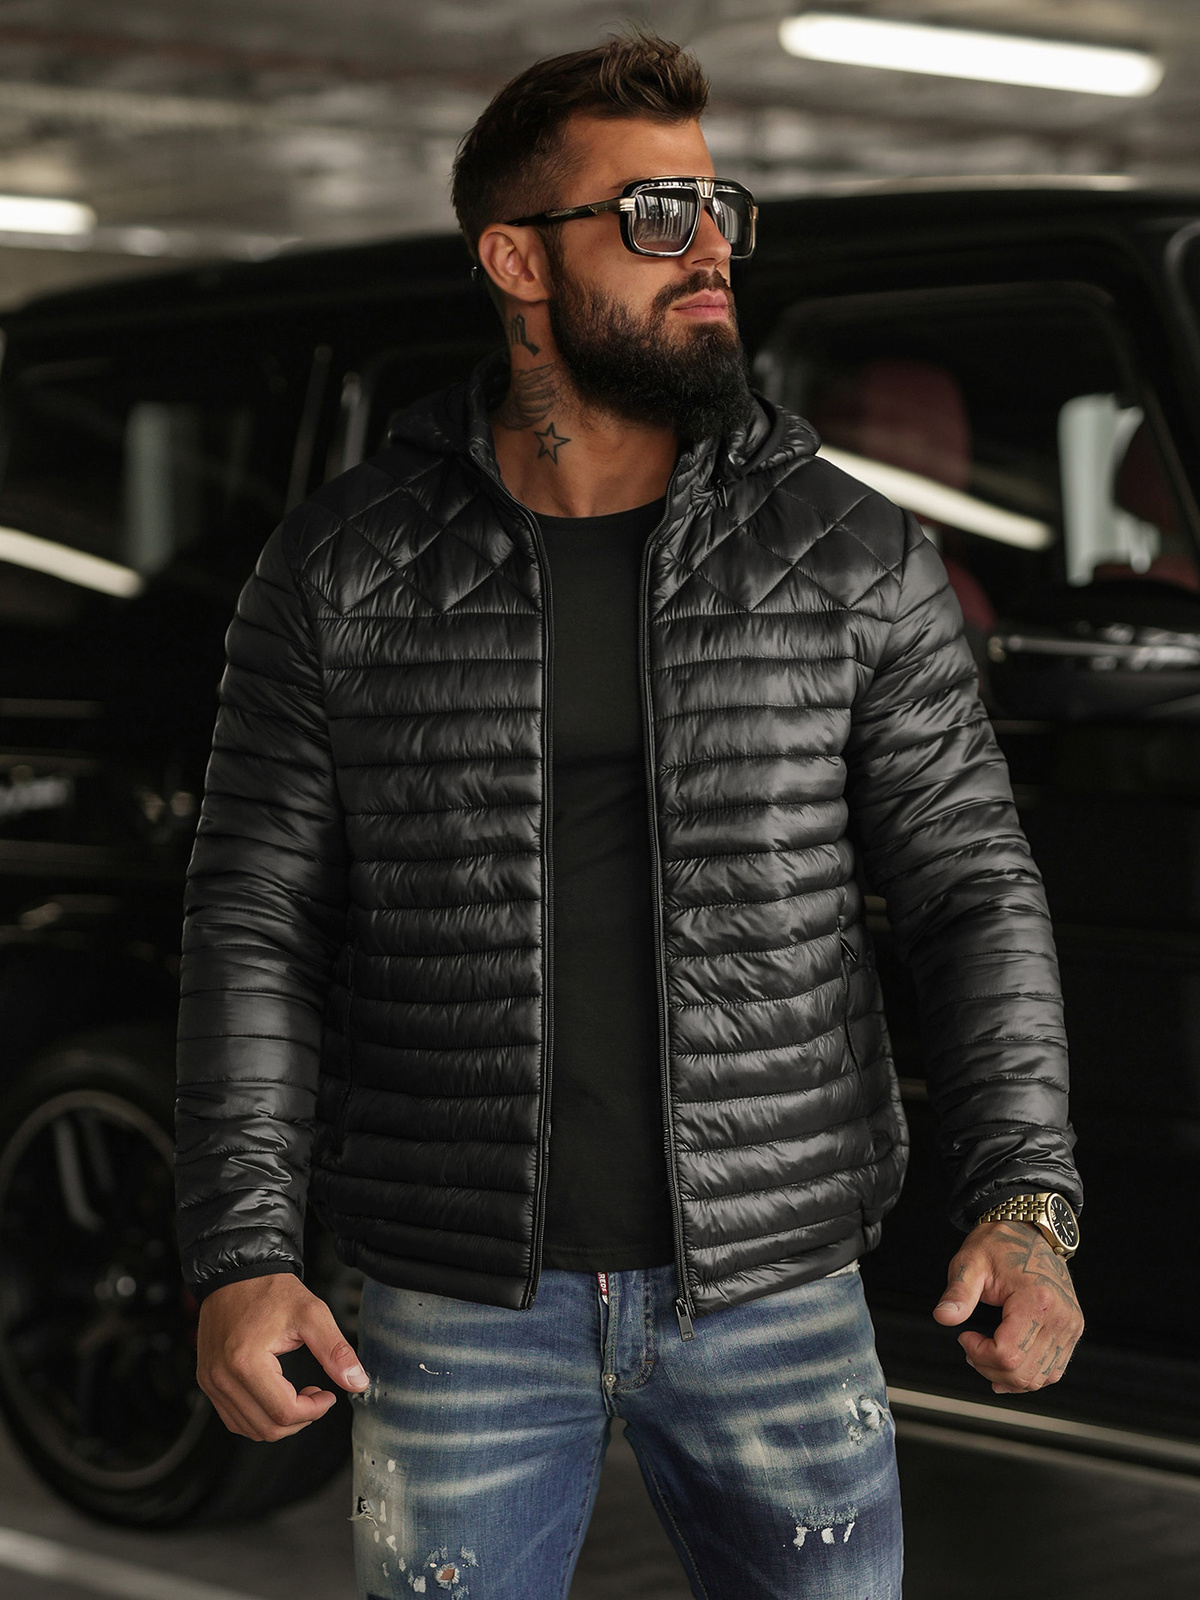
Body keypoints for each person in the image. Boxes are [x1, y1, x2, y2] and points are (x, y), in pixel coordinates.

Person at [176, 32, 1083, 1600]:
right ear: (517, 260)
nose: (709, 247)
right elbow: (258, 922)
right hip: (457, 1302)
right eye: (656, 215)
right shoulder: (339, 569)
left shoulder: (852, 556)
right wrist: (242, 1252)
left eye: (719, 208)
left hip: (777, 1288)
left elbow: (972, 891)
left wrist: (1026, 1204)